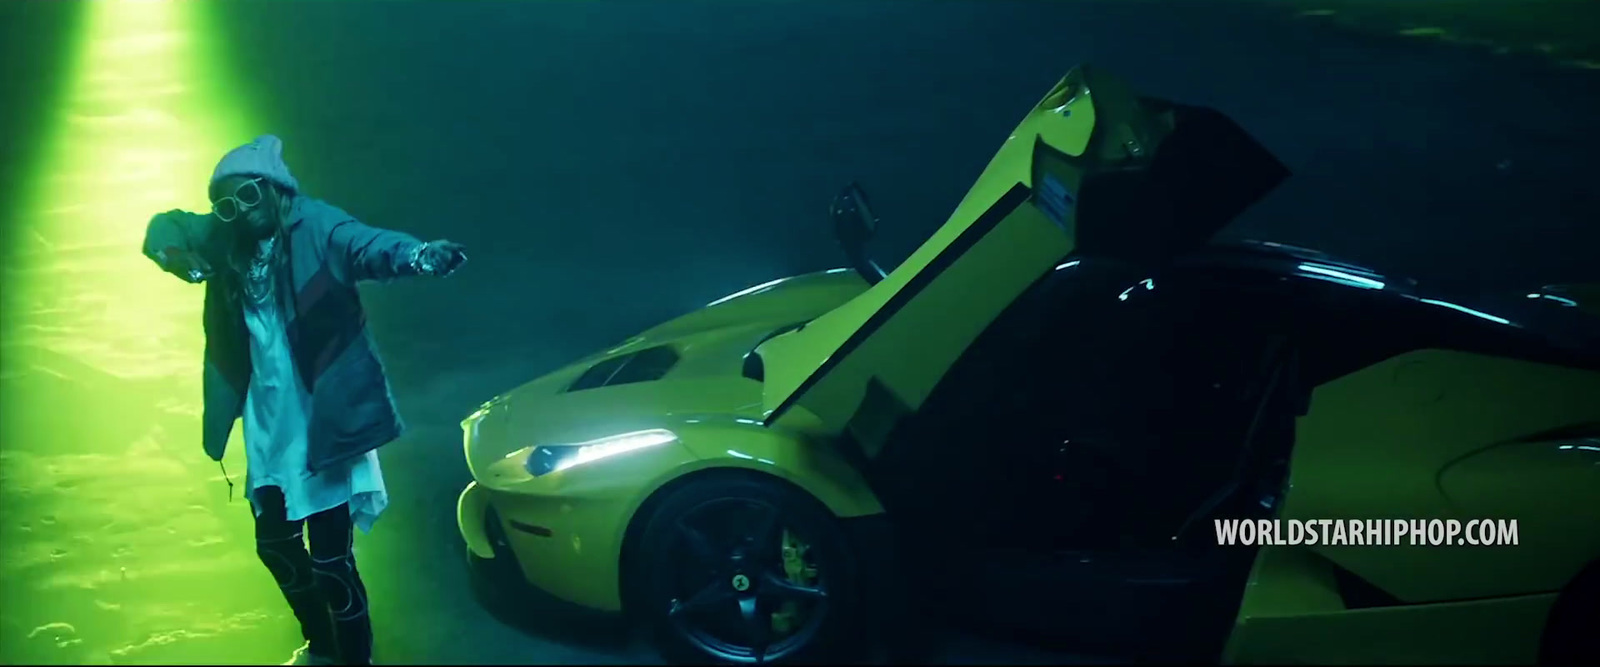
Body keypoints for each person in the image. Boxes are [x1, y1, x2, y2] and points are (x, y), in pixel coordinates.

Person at [142, 135, 468, 665]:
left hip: (324, 420)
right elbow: (169, 226)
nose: (240, 212)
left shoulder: (316, 226)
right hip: (269, 424)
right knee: (274, 546)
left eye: (249, 196)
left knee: (332, 562)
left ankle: (354, 659)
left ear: (273, 189)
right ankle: (322, 646)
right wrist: (175, 251)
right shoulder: (229, 238)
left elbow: (366, 245)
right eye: (227, 205)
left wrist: (418, 255)